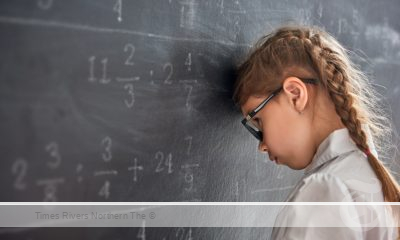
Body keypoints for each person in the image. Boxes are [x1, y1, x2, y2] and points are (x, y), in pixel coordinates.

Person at [233, 25, 400, 239]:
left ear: (295, 95)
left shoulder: (325, 192)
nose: (262, 145)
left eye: (258, 121)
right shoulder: (369, 179)